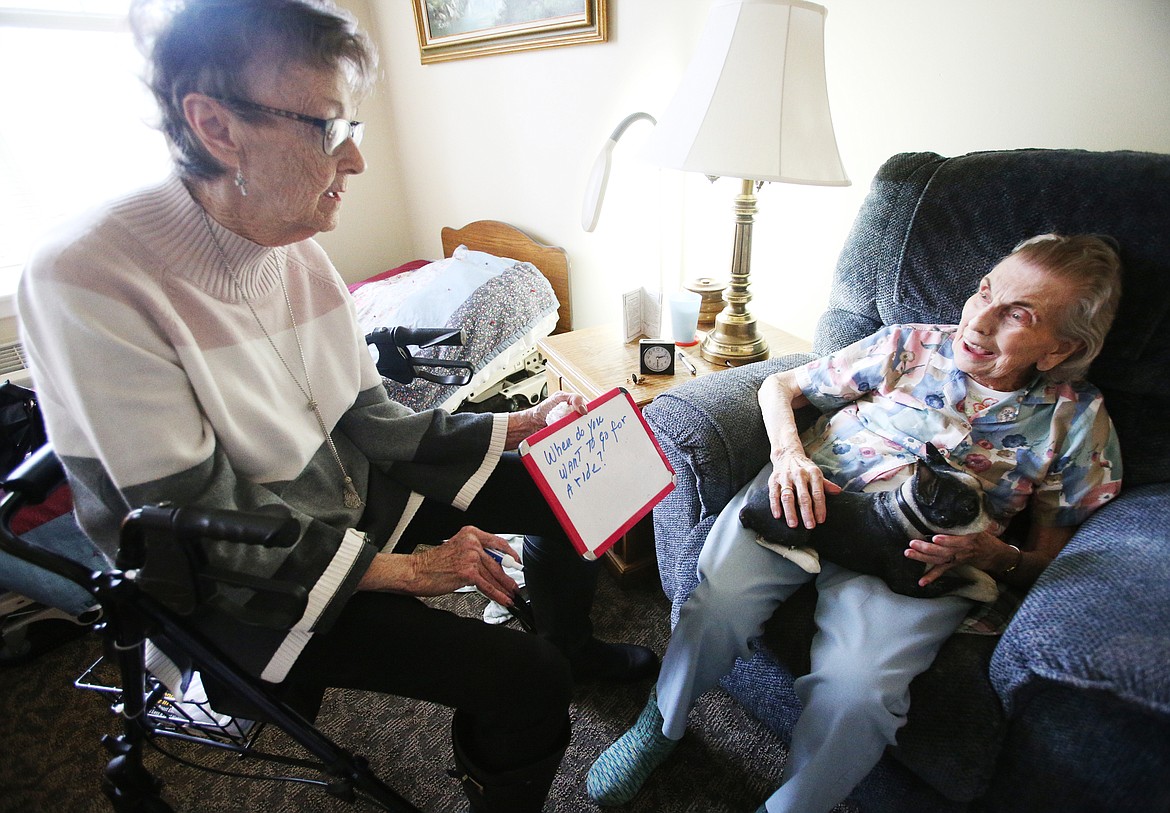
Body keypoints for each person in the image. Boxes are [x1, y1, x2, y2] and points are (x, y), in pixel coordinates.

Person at [17, 1, 656, 810]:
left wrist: (510, 426)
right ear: (216, 126)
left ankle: (571, 631)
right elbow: (199, 523)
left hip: (349, 497)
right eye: (329, 127)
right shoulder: (90, 278)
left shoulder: (298, 251)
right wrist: (407, 570)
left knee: (566, 481)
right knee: (526, 679)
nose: (355, 159)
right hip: (237, 574)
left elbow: (372, 418)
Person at [586, 234, 1124, 812]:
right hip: (810, 496)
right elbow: (780, 386)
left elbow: (1054, 557)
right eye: (984, 292)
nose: (980, 320)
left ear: (1058, 349)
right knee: (714, 603)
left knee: (859, 694)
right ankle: (662, 722)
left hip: (921, 554)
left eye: (1018, 314)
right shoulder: (910, 345)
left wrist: (992, 557)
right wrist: (788, 455)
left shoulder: (1077, 422)